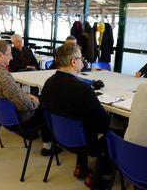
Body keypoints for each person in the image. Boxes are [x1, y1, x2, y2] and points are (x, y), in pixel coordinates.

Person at [41, 43, 110, 188]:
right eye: (81, 58)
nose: (83, 61)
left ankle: (81, 167)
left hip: (60, 136)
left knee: (79, 120)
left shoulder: (48, 83)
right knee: (116, 133)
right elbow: (104, 124)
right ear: (73, 61)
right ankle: (97, 174)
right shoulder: (83, 89)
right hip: (84, 142)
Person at [0, 40, 59, 156]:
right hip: (17, 120)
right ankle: (48, 146)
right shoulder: (3, 76)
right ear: (0, 55)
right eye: (9, 53)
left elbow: (9, 95)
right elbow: (24, 105)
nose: (11, 57)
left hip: (2, 117)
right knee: (45, 105)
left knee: (39, 98)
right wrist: (35, 102)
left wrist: (27, 96)